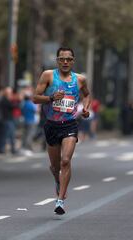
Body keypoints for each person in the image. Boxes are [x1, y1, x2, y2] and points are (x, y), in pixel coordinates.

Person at [33, 47, 91, 215]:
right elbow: (36, 98)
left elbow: (87, 95)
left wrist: (85, 109)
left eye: (69, 59)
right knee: (55, 166)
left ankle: (60, 199)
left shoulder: (80, 79)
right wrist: (51, 98)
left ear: (73, 61)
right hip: (51, 125)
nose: (65, 62)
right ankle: (58, 181)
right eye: (62, 59)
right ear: (57, 61)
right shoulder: (48, 76)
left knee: (66, 160)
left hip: (70, 124)